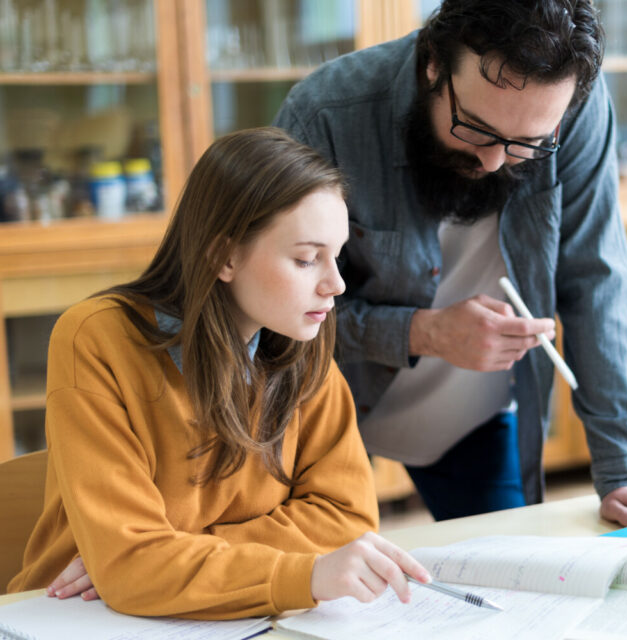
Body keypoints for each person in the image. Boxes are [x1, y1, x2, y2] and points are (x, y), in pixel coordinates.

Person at [272, 0, 627, 525]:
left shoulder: (574, 109)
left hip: (470, 416)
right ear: (433, 63)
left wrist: (624, 474)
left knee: (510, 579)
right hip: (328, 403)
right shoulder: (326, 114)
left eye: (528, 143)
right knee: (325, 581)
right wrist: (423, 333)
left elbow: (597, 282)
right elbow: (275, 312)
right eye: (476, 129)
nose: (494, 162)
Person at [8, 128, 430, 617]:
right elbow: (131, 568)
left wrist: (166, 556)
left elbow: (348, 520)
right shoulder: (96, 340)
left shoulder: (302, 342)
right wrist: (304, 572)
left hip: (209, 613)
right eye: (305, 259)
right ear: (223, 255)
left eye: (336, 256)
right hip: (75, 615)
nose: (334, 285)